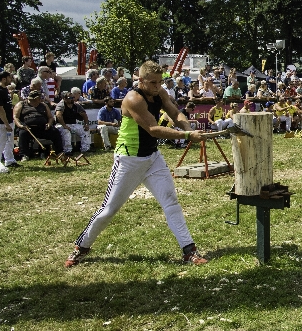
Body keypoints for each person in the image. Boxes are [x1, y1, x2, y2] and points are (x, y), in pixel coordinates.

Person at [65, 60, 208, 268]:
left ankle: (189, 250)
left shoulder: (159, 93)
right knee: (109, 210)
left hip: (152, 157)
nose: (157, 86)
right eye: (152, 83)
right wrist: (187, 134)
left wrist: (189, 127)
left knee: (171, 202)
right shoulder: (133, 99)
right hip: (129, 160)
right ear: (140, 80)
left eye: (160, 82)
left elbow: (175, 113)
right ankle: (81, 247)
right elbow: (153, 129)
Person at [13, 90, 64, 161]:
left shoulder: (43, 105)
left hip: (43, 128)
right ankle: (24, 155)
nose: (41, 99)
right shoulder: (21, 104)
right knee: (22, 134)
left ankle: (59, 152)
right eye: (39, 98)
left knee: (55, 132)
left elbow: (50, 117)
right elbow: (16, 117)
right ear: (35, 99)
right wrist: (20, 125)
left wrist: (49, 124)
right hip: (27, 129)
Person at [0, 71, 18, 171]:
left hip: (9, 120)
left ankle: (10, 160)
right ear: (4, 79)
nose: (11, 80)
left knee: (9, 142)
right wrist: (6, 123)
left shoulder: (5, 89)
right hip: (0, 122)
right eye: (9, 78)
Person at [55, 91, 91, 156]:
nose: (72, 99)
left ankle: (85, 148)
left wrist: (86, 124)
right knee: (66, 131)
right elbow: (58, 115)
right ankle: (67, 150)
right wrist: (64, 125)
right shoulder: (61, 104)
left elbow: (84, 114)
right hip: (61, 125)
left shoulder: (76, 105)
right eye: (70, 97)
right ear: (64, 98)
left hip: (72, 124)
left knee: (85, 130)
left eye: (73, 97)